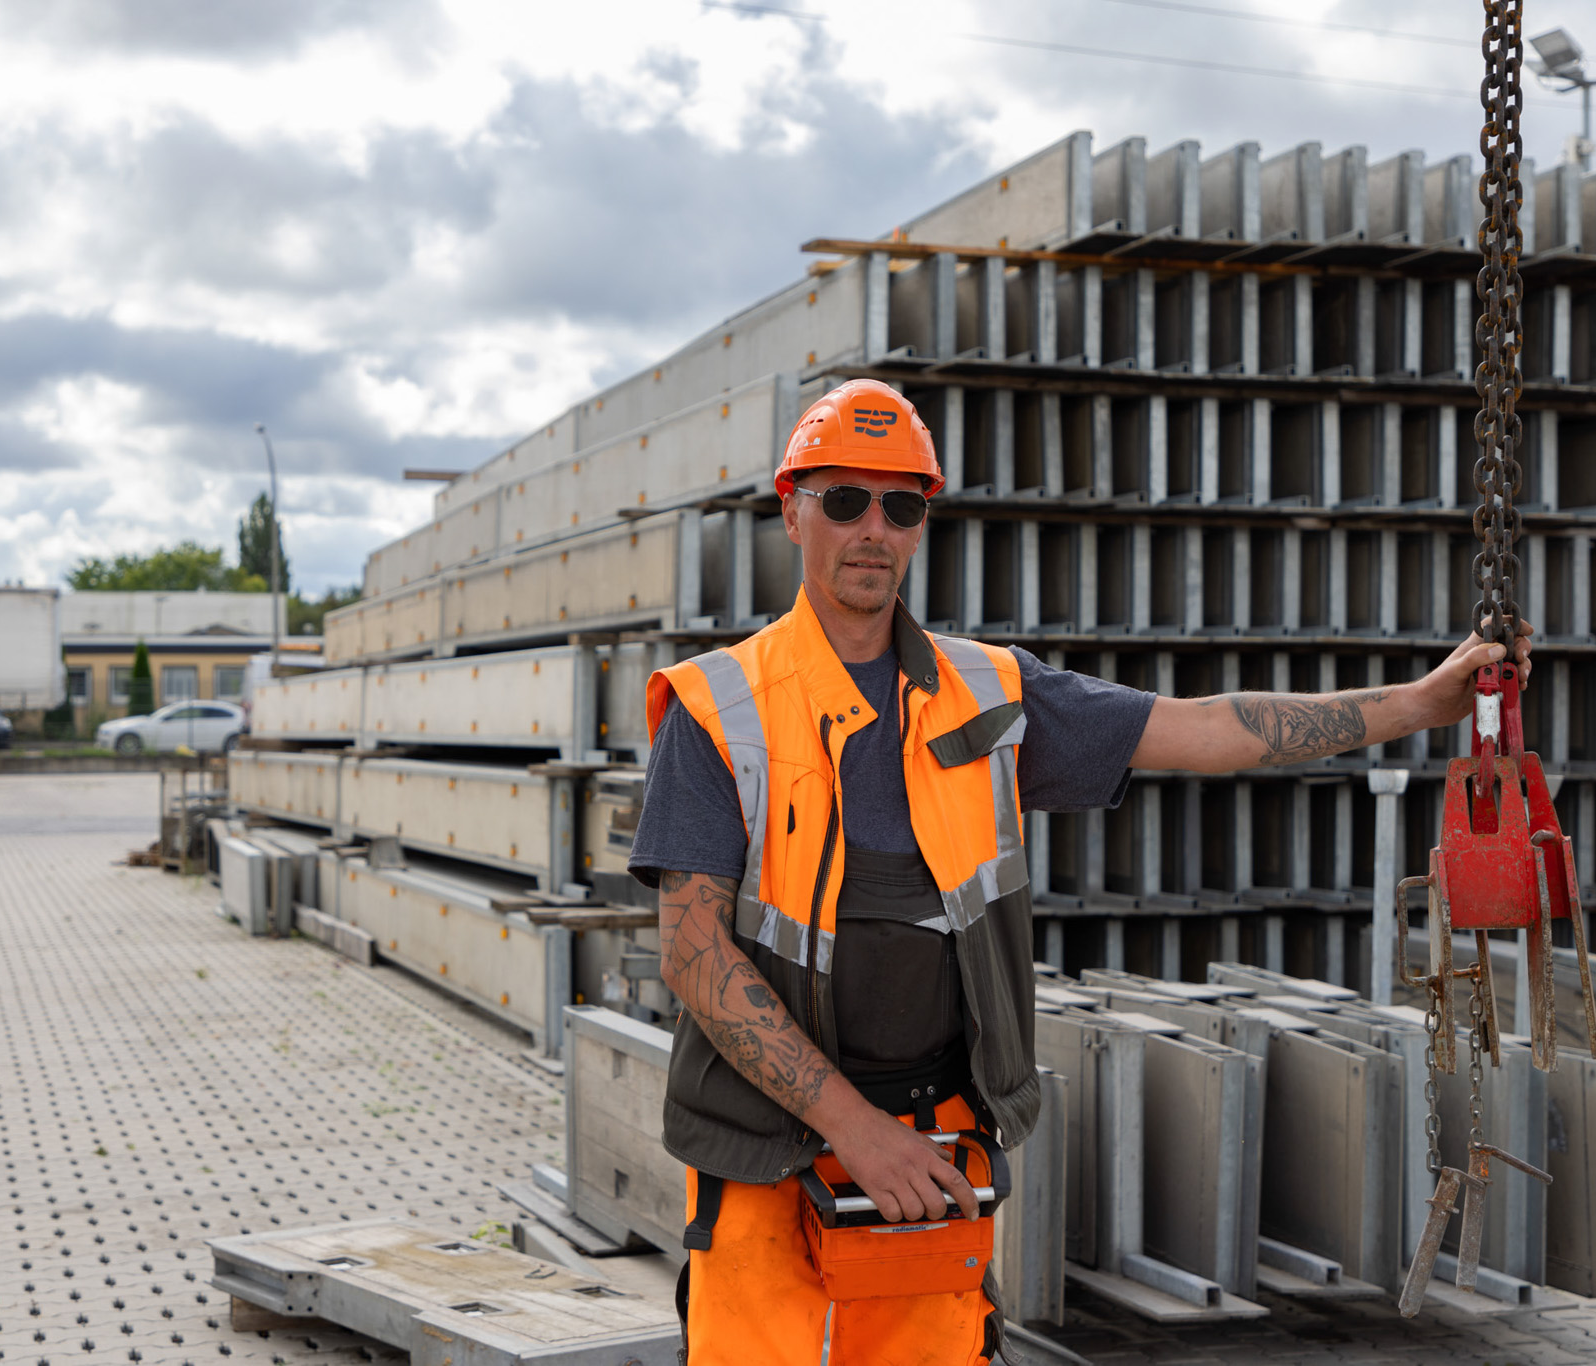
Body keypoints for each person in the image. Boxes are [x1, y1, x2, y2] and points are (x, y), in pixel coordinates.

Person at [629, 379, 1532, 1365]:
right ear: (790, 506)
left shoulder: (991, 694)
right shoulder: (718, 707)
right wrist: (853, 1128)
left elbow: (1206, 729)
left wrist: (1417, 704)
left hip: (934, 1156)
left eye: (902, 503)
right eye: (843, 498)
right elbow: (692, 954)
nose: (871, 528)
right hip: (766, 1164)